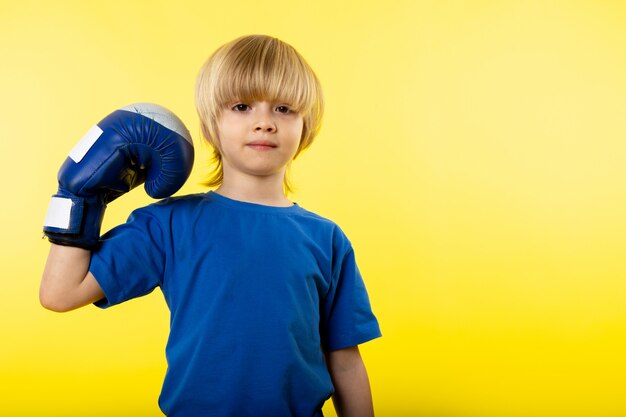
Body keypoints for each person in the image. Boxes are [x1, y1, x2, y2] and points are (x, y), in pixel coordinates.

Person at [40, 34, 381, 417]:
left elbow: (346, 361)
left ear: (307, 127)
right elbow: (60, 293)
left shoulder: (326, 238)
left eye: (284, 108)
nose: (264, 123)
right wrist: (77, 199)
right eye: (242, 106)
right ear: (210, 125)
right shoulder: (170, 223)